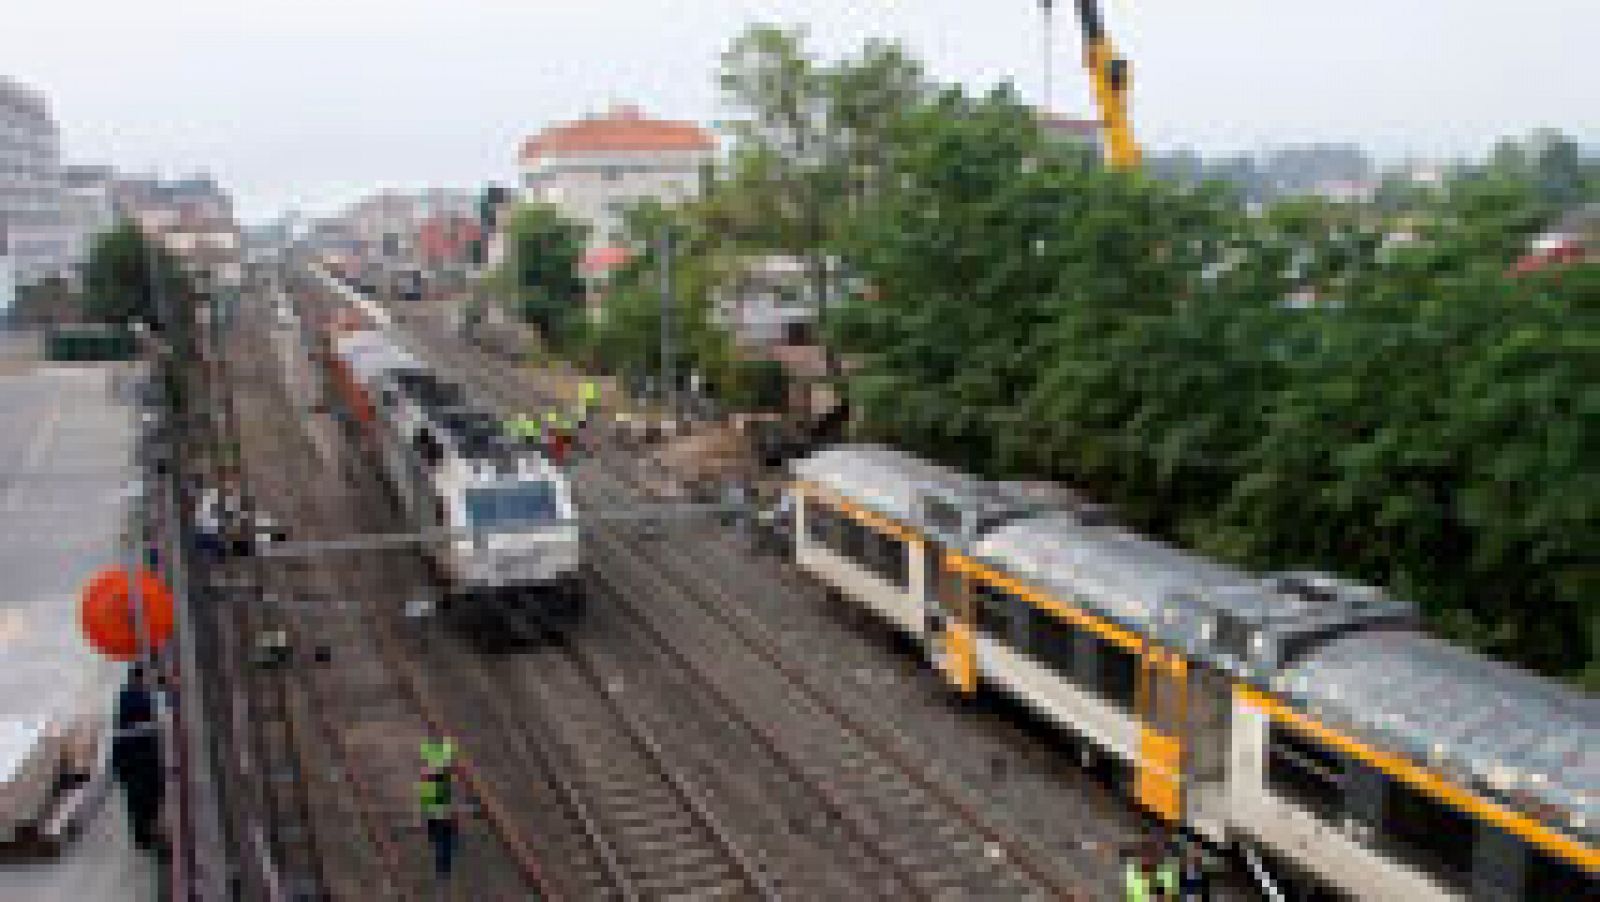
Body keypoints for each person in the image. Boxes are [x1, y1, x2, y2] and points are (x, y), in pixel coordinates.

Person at [111, 664, 164, 852]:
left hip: (132, 757)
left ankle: (145, 835)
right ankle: (145, 838)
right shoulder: (138, 698)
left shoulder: (128, 693)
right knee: (143, 798)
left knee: (141, 799)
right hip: (136, 758)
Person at [418, 766, 457, 882]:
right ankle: (443, 866)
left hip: (438, 816)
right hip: (441, 816)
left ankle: (443, 866)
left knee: (441, 840)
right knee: (443, 841)